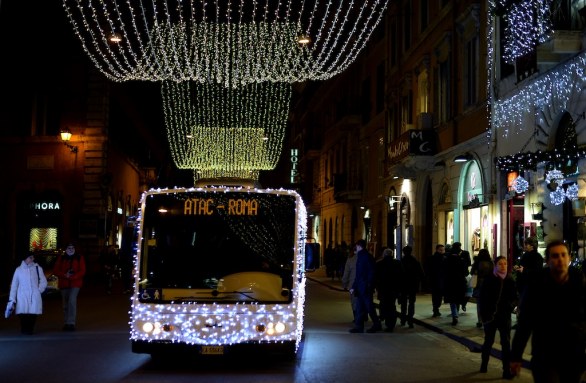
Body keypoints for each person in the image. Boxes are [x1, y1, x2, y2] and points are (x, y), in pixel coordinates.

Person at [510, 240, 586, 382]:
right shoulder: (537, 284)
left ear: (569, 258)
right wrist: (516, 356)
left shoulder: (578, 281)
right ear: (548, 260)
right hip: (545, 355)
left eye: (563, 255)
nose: (560, 260)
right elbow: (525, 323)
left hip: (574, 355)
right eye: (555, 256)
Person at [478, 255, 517, 379]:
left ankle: (506, 370)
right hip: (491, 316)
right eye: (500, 263)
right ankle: (484, 364)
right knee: (488, 341)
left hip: (504, 316)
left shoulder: (510, 279)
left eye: (505, 263)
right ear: (495, 265)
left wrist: (510, 307)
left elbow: (515, 297)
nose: (503, 266)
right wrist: (484, 316)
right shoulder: (489, 279)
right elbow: (482, 299)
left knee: (506, 343)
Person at [8, 252, 48, 334]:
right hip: (22, 295)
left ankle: (30, 329)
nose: (32, 259)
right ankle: (24, 328)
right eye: (30, 257)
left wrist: (38, 290)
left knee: (33, 314)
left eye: (33, 257)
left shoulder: (37, 268)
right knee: (23, 314)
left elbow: (43, 281)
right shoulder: (19, 270)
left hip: (34, 295)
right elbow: (14, 285)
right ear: (25, 258)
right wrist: (12, 299)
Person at [349, 239, 382, 333]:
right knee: (360, 307)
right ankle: (359, 326)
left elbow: (371, 273)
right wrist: (354, 286)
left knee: (369, 307)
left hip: (365, 287)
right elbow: (359, 274)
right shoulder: (363, 256)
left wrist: (368, 285)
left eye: (356, 246)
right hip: (362, 287)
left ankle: (376, 324)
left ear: (359, 246)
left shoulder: (365, 257)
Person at [54, 242, 86, 331]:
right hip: (64, 283)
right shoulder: (61, 258)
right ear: (66, 249)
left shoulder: (79, 257)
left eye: (72, 248)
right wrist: (65, 275)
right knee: (65, 304)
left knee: (71, 301)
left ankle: (71, 322)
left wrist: (74, 276)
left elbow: (82, 270)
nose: (71, 250)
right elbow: (56, 270)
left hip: (75, 283)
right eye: (69, 248)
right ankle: (66, 322)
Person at [374, 248, 403, 332]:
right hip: (393, 289)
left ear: (384, 254)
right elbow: (401, 277)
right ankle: (391, 324)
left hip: (383, 289)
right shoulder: (397, 263)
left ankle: (384, 318)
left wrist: (376, 287)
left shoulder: (379, 263)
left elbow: (376, 277)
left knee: (383, 304)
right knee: (392, 306)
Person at [442, 243, 469, 325]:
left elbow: (444, 270)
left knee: (452, 300)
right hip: (460, 281)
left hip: (450, 281)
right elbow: (466, 272)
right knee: (458, 298)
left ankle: (455, 315)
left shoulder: (447, 257)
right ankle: (457, 311)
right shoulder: (462, 258)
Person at [399, 245, 424, 328]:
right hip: (413, 285)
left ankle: (403, 319)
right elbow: (421, 274)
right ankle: (410, 320)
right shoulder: (415, 261)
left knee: (403, 303)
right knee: (411, 303)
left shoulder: (401, 261)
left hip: (403, 285)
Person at [470, 248, 494, 328]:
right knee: (487, 303)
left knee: (479, 304)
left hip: (479, 284)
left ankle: (480, 320)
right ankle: (486, 319)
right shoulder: (491, 263)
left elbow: (472, 272)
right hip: (489, 284)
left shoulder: (477, 263)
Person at [451, 242, 472, 311]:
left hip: (454, 277)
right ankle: (462, 304)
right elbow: (469, 263)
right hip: (463, 276)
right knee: (467, 292)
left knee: (456, 294)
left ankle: (457, 310)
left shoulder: (450, 254)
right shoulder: (465, 253)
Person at [342, 244, 359, 324]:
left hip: (352, 285)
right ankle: (363, 316)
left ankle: (356, 317)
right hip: (364, 284)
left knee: (354, 301)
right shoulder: (366, 258)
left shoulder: (350, 259)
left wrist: (344, 284)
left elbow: (346, 273)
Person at [426, 244, 445, 317]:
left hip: (437, 280)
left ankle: (436, 308)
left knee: (437, 296)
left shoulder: (443, 258)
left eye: (443, 250)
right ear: (437, 250)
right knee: (437, 296)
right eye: (441, 250)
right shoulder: (434, 258)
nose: (442, 251)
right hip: (436, 280)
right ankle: (436, 308)